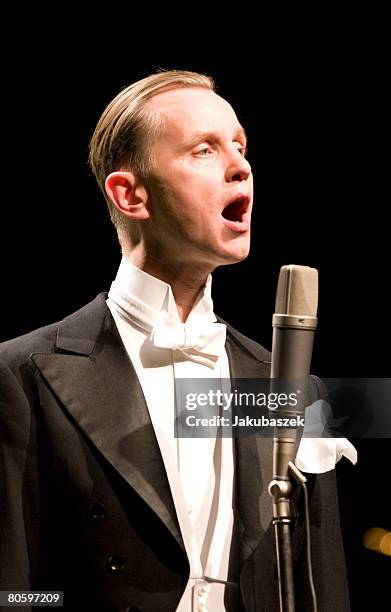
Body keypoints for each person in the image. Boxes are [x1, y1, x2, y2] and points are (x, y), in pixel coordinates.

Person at [0, 70, 353, 611]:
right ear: (131, 194)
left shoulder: (283, 383)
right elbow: (17, 592)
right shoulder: (24, 371)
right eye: (204, 149)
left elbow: (321, 590)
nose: (242, 166)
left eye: (240, 145)